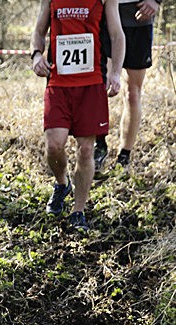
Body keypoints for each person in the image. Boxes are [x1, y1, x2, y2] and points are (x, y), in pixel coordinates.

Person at [31, 0, 125, 231]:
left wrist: (115, 74)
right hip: (58, 83)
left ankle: (78, 211)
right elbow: (38, 30)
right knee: (53, 146)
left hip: (91, 84)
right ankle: (62, 183)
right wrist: (36, 55)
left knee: (85, 150)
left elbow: (117, 35)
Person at [94, 0, 160, 171]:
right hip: (102, 11)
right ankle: (98, 145)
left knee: (132, 93)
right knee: (100, 87)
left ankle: (124, 156)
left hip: (138, 15)